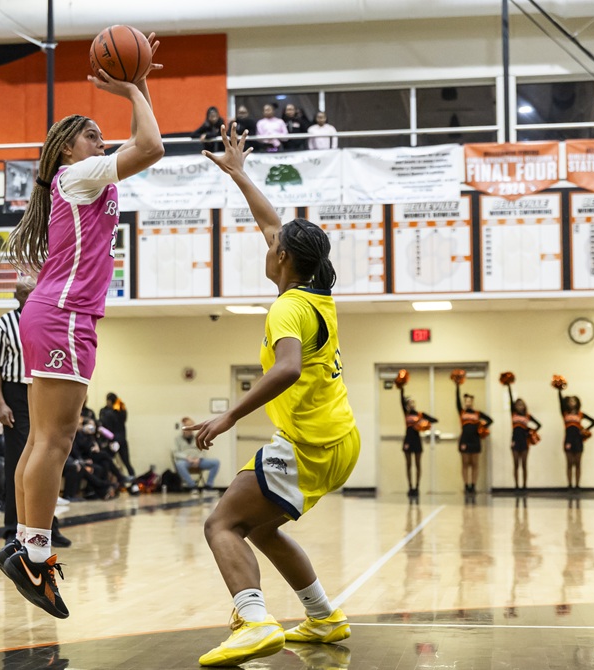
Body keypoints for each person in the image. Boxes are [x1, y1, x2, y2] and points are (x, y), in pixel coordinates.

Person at [0, 40, 164, 620]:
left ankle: (27, 546)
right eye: (91, 132)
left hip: (56, 311)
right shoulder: (82, 172)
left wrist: (135, 81)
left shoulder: (79, 181)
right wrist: (133, 86)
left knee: (43, 439)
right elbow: (152, 145)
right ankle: (34, 557)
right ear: (68, 148)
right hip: (64, 315)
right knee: (55, 441)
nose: (101, 139)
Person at [190, 123, 360, 666]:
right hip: (341, 440)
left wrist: (229, 417)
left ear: (283, 259)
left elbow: (286, 369)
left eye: (274, 246)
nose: (268, 244)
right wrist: (239, 173)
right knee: (261, 528)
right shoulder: (315, 294)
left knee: (222, 523)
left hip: (308, 442)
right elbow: (270, 222)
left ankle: (254, 619)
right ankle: (324, 617)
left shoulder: (286, 307)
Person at [0, 278, 71, 546]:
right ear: (17, 296)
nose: (28, 296)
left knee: (47, 455)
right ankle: (14, 527)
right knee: (20, 457)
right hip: (14, 392)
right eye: (23, 293)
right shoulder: (3, 325)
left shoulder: (49, 318)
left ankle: (47, 526)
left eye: (32, 292)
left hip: (42, 387)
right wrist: (0, 403)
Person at [398, 378, 438, 498]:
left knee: (417, 464)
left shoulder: (420, 414)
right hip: (408, 440)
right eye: (409, 403)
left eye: (413, 402)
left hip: (417, 440)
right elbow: (401, 400)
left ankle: (417, 487)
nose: (412, 404)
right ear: (407, 405)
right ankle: (410, 487)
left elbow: (434, 420)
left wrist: (424, 424)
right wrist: (401, 388)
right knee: (409, 464)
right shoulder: (406, 414)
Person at [454, 374, 493, 494]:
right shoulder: (462, 412)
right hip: (465, 439)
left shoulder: (477, 413)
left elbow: (490, 420)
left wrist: (482, 427)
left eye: (470, 401)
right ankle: (466, 485)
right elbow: (457, 401)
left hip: (475, 440)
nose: (468, 403)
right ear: (464, 402)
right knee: (465, 464)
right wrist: (457, 386)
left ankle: (473, 485)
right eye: (466, 401)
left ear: (473, 402)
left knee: (475, 463)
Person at [556, 377, 594, 490]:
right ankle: (569, 485)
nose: (571, 402)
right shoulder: (564, 413)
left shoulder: (580, 414)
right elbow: (560, 401)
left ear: (577, 402)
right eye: (570, 401)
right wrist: (559, 389)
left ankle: (577, 485)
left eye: (574, 400)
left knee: (578, 463)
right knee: (569, 463)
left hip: (578, 440)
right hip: (568, 439)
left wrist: (585, 430)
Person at [507, 381, 541, 492]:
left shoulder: (527, 416)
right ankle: (516, 486)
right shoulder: (513, 414)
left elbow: (539, 425)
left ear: (524, 406)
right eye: (517, 405)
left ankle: (524, 486)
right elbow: (511, 399)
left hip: (524, 441)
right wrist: (509, 386)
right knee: (516, 464)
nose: (519, 406)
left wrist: (530, 432)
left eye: (521, 404)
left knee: (524, 464)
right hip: (515, 440)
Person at [173, 417, 220, 490]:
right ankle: (192, 486)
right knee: (179, 464)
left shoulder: (198, 437)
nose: (190, 429)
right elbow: (176, 452)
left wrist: (199, 459)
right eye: (188, 427)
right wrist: (187, 458)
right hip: (186, 461)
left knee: (216, 462)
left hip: (199, 461)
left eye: (191, 426)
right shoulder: (177, 439)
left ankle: (208, 485)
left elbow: (203, 450)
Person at [99, 392, 134, 478]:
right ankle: (133, 484)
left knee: (109, 461)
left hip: (113, 440)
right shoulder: (120, 409)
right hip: (120, 439)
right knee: (126, 462)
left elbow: (103, 424)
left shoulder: (107, 412)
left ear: (109, 401)